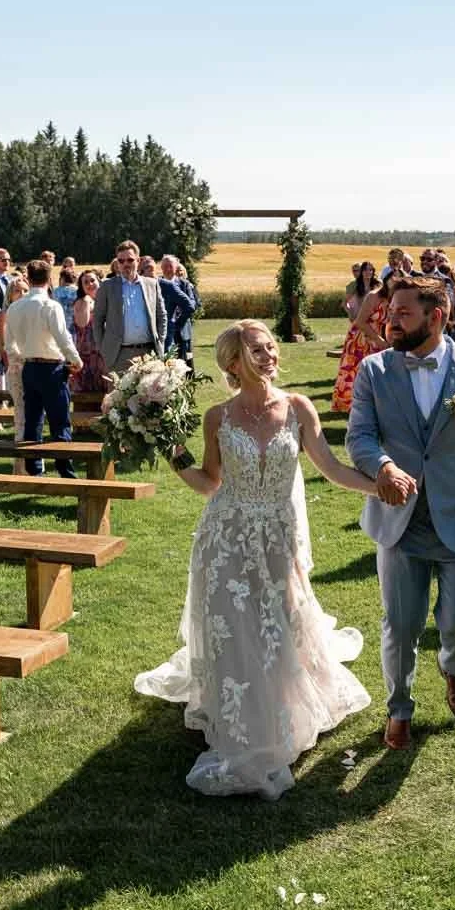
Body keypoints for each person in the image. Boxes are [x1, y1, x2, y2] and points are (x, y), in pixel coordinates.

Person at [133, 320, 375, 799]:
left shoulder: (298, 408)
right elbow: (209, 483)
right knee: (234, 626)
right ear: (232, 363)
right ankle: (242, 717)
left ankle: (283, 707)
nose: (269, 356)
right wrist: (171, 450)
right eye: (257, 351)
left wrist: (378, 488)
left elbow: (331, 468)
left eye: (270, 348)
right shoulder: (218, 418)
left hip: (277, 539)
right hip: (226, 536)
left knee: (279, 623)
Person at [346, 277, 455, 750]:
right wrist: (384, 466)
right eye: (390, 312)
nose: (390, 321)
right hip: (399, 523)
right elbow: (359, 438)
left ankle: (452, 667)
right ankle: (399, 708)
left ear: (436, 316)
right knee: (401, 624)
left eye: (403, 314)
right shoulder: (374, 372)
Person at [4, 259, 83, 477]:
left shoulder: (14, 307)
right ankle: (65, 470)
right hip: (52, 368)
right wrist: (76, 360)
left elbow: (9, 344)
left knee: (33, 420)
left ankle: (34, 469)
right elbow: (62, 337)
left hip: (29, 368)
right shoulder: (50, 306)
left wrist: (24, 356)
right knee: (59, 421)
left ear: (28, 279)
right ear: (49, 279)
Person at [92, 240, 167, 374]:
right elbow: (97, 320)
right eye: (121, 261)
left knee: (149, 395)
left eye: (130, 260)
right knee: (118, 395)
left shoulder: (152, 284)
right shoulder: (107, 286)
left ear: (138, 261)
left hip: (149, 354)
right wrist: (103, 348)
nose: (125, 264)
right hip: (118, 355)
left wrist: (160, 340)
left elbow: (161, 316)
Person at [331, 270, 399, 413]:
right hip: (361, 337)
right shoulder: (374, 296)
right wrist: (378, 339)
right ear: (385, 279)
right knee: (356, 371)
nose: (396, 280)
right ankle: (350, 406)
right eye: (393, 278)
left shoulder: (395, 298)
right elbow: (360, 321)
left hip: (380, 336)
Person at [0, 275, 30, 464]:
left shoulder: (30, 312)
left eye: (25, 290)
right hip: (17, 367)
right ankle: (20, 463)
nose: (22, 294)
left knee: (33, 415)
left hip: (33, 367)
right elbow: (7, 346)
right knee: (21, 414)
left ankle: (33, 462)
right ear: (10, 295)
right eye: (18, 291)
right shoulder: (5, 314)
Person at [69, 270, 107, 392]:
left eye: (92, 280)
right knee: (87, 394)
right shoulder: (82, 302)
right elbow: (82, 323)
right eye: (86, 282)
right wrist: (87, 301)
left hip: (103, 354)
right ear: (81, 287)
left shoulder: (106, 300)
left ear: (99, 282)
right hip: (87, 355)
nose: (90, 284)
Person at [157, 255, 197, 352]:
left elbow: (192, 304)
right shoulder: (157, 284)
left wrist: (178, 323)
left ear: (176, 267)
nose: (168, 269)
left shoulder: (184, 284)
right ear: (161, 268)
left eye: (170, 266)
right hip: (162, 330)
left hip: (181, 330)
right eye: (165, 266)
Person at [52, 266, 79, 330]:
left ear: (62, 279)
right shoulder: (78, 291)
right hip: (75, 324)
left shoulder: (56, 291)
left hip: (60, 324)